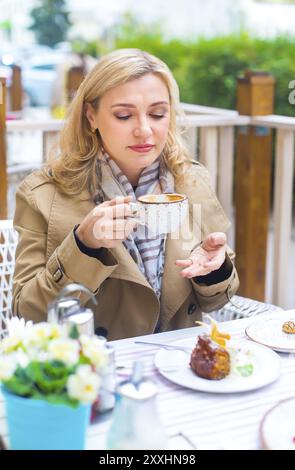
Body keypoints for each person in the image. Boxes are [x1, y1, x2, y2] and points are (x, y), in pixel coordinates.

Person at [12, 48, 239, 341]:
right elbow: (27, 314)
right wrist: (84, 246)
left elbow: (220, 299)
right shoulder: (43, 195)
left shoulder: (190, 181)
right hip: (93, 371)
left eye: (158, 114)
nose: (144, 130)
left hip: (179, 368)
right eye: (123, 115)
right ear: (90, 116)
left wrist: (214, 270)